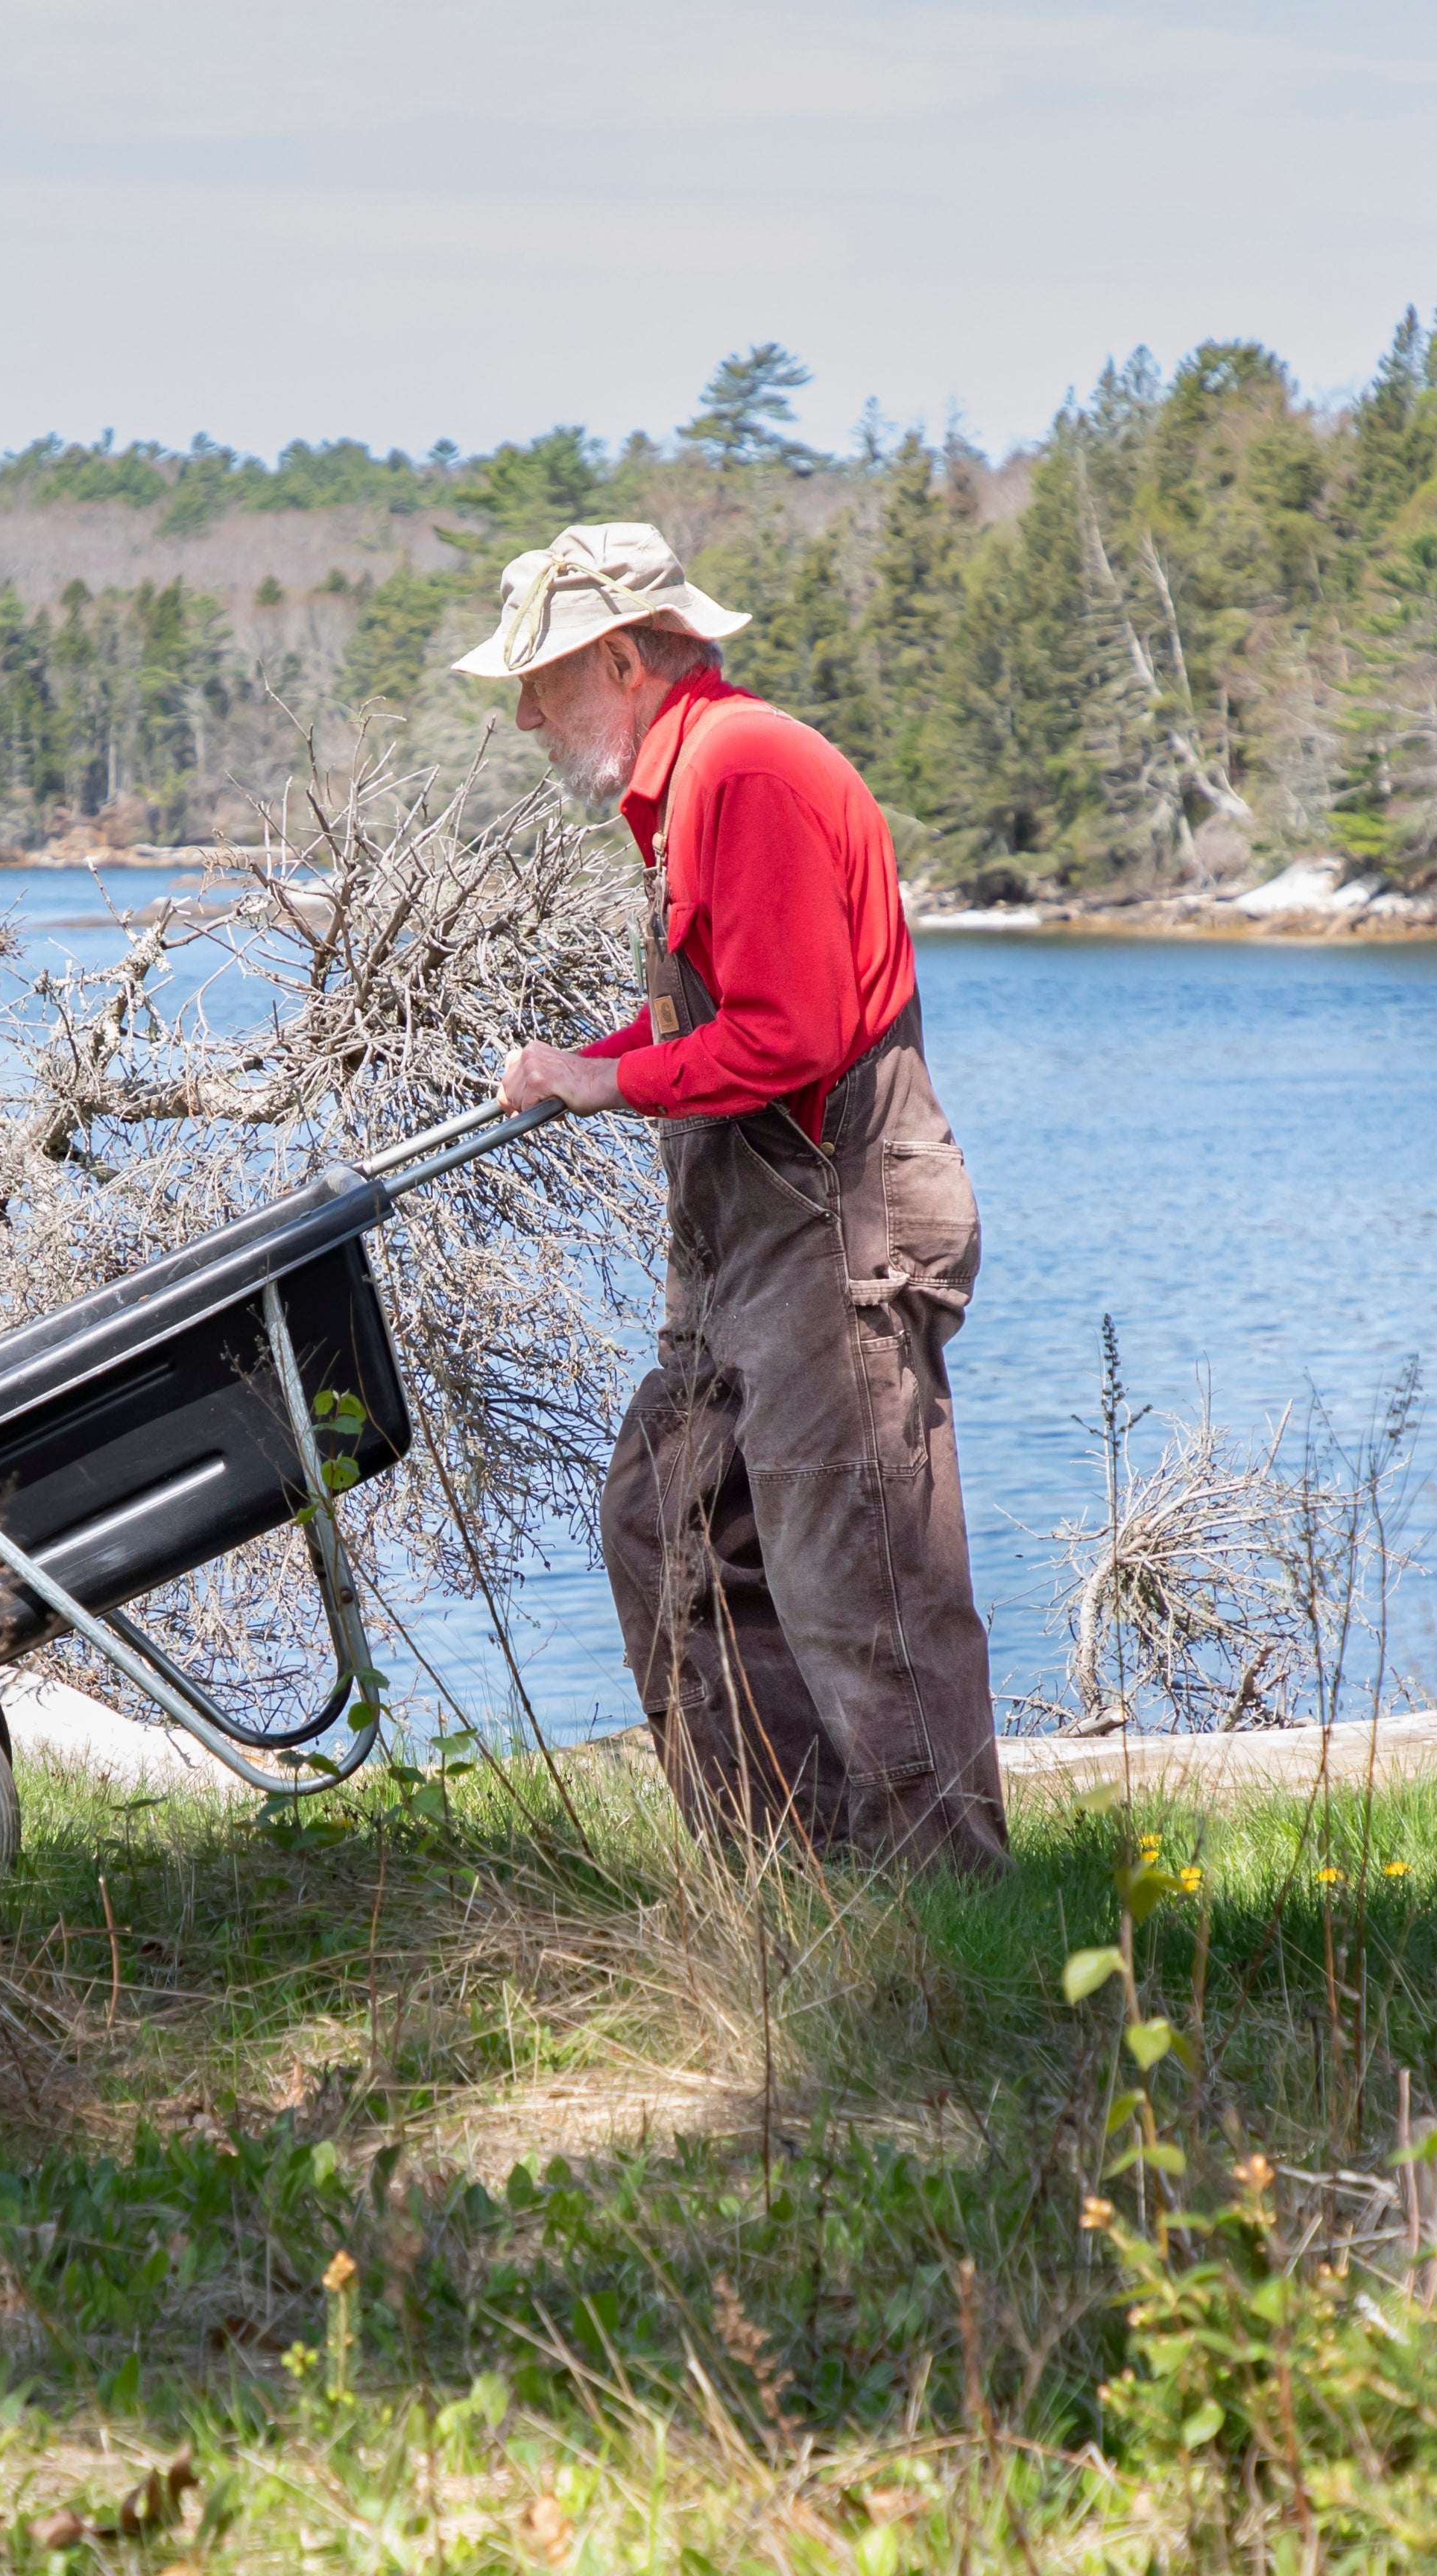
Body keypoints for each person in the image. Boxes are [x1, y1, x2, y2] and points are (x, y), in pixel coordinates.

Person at [463, 523, 1007, 1872]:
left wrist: (605, 1093)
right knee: (668, 1531)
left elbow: (792, 1034)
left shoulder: (745, 769)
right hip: (754, 1254)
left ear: (631, 659)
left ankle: (951, 1921)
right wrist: (582, 1063)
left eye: (546, 681)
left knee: (863, 1596)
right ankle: (794, 1892)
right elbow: (709, 1018)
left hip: (839, 1235)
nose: (527, 713)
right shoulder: (690, 781)